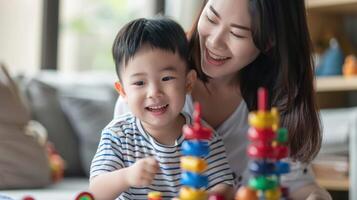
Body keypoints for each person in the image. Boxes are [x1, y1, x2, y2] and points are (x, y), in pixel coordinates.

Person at [114, 0, 332, 199]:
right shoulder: (150, 91)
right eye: (210, 18)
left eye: (237, 33)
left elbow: (298, 185)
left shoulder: (273, 104)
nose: (215, 42)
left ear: (269, 41)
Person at [90, 17, 234, 200]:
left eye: (166, 78)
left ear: (188, 82)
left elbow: (226, 189)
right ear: (123, 91)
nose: (154, 93)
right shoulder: (118, 135)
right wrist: (126, 176)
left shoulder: (203, 138)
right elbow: (95, 193)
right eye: (139, 82)